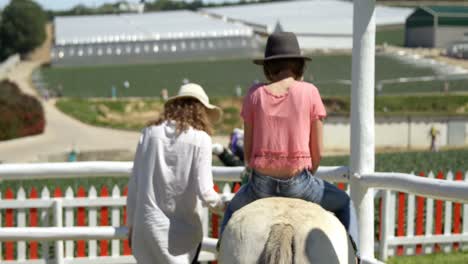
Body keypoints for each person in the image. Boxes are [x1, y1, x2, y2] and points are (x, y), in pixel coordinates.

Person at [219, 32, 360, 260]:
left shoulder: (254, 95)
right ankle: (357, 255)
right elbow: (318, 152)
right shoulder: (310, 92)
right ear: (298, 65)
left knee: (232, 213)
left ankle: (220, 253)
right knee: (345, 203)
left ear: (268, 67)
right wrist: (308, 175)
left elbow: (247, 152)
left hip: (260, 185)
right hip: (299, 184)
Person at [126, 83, 227, 264]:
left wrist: (131, 224)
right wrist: (226, 206)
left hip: (147, 230)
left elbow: (135, 183)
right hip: (182, 236)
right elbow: (205, 192)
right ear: (201, 110)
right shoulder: (201, 139)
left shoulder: (148, 133)